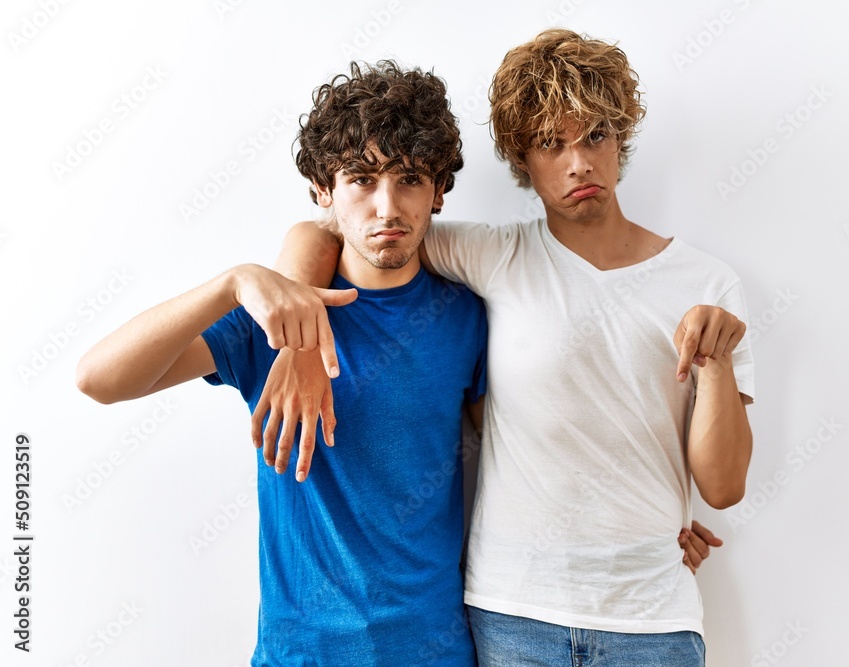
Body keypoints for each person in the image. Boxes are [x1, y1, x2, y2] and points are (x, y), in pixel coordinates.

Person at [267, 29, 754, 666]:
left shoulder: (708, 283)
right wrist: (297, 340)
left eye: (595, 136)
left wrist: (714, 365)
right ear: (523, 160)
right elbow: (338, 224)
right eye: (551, 143)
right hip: (513, 614)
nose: (578, 163)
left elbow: (722, 487)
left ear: (621, 140)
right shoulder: (493, 255)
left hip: (652, 616)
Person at [75, 61, 487, 667]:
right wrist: (233, 282)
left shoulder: (467, 317)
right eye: (361, 180)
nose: (386, 207)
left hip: (435, 649)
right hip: (302, 653)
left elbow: (510, 461)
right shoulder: (269, 317)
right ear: (324, 189)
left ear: (440, 190)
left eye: (410, 180)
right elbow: (98, 379)